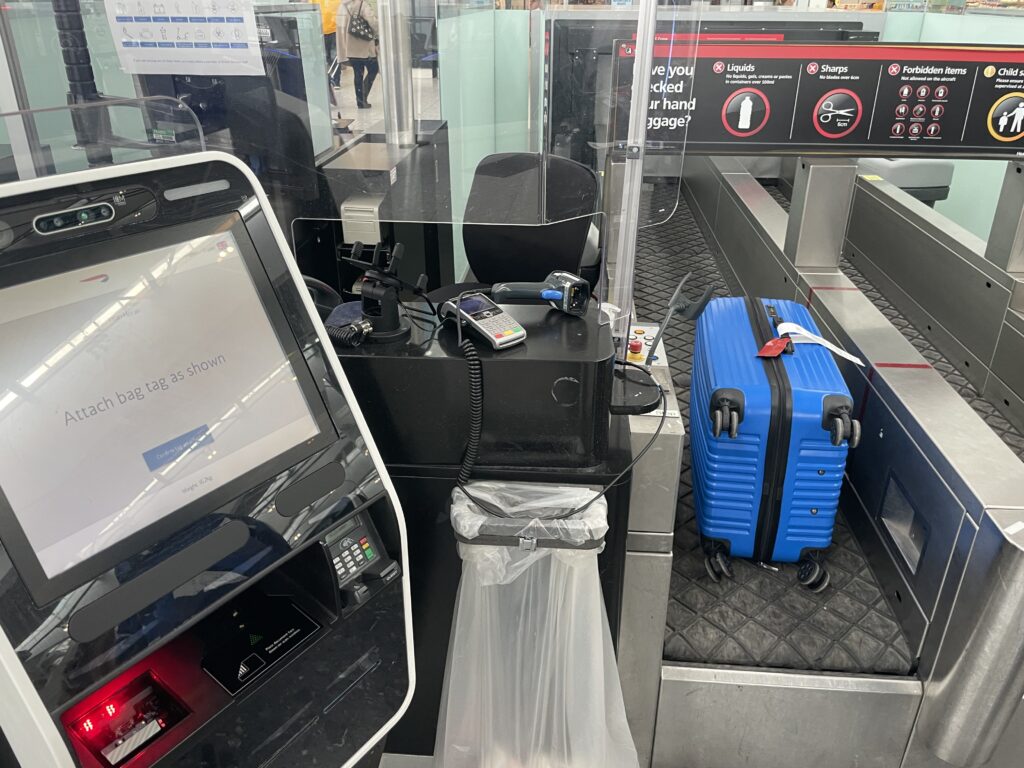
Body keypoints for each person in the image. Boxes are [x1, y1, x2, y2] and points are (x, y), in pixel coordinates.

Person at [337, 0, 379, 109]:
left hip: (350, 47)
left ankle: (360, 101)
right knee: (374, 69)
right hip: (365, 46)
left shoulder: (342, 5)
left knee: (358, 74)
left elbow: (340, 25)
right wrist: (378, 33)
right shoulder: (362, 4)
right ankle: (364, 96)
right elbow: (373, 23)